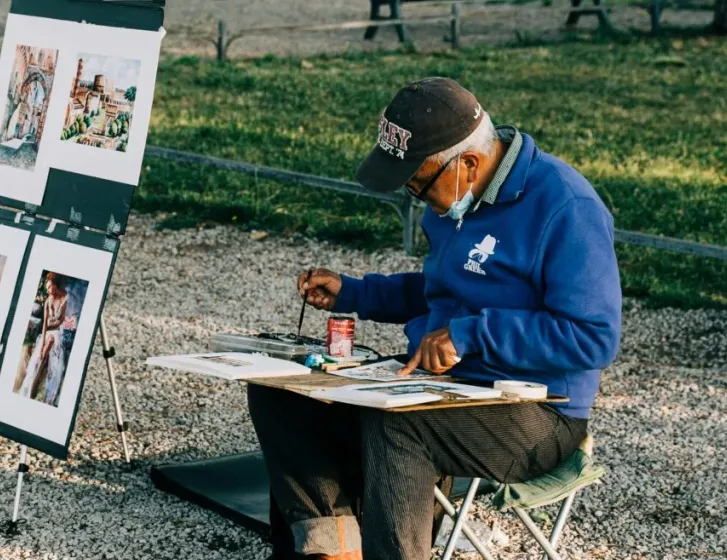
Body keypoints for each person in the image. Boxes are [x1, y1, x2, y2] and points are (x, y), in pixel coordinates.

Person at [248, 77, 622, 560]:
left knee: (399, 425)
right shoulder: (455, 200)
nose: (415, 196)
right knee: (282, 391)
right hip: (444, 389)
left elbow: (594, 337)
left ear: (468, 163)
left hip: (540, 415)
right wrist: (355, 292)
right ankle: (331, 549)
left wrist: (470, 337)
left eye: (419, 183)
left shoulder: (567, 207)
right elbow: (440, 291)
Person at [18, 273, 69, 405]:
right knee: (37, 358)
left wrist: (51, 327)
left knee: (54, 362)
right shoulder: (48, 300)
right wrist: (41, 346)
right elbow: (45, 324)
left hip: (57, 332)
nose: (47, 290)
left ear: (56, 286)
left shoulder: (64, 299)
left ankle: (49, 397)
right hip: (47, 333)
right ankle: (29, 390)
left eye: (49, 287)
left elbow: (60, 321)